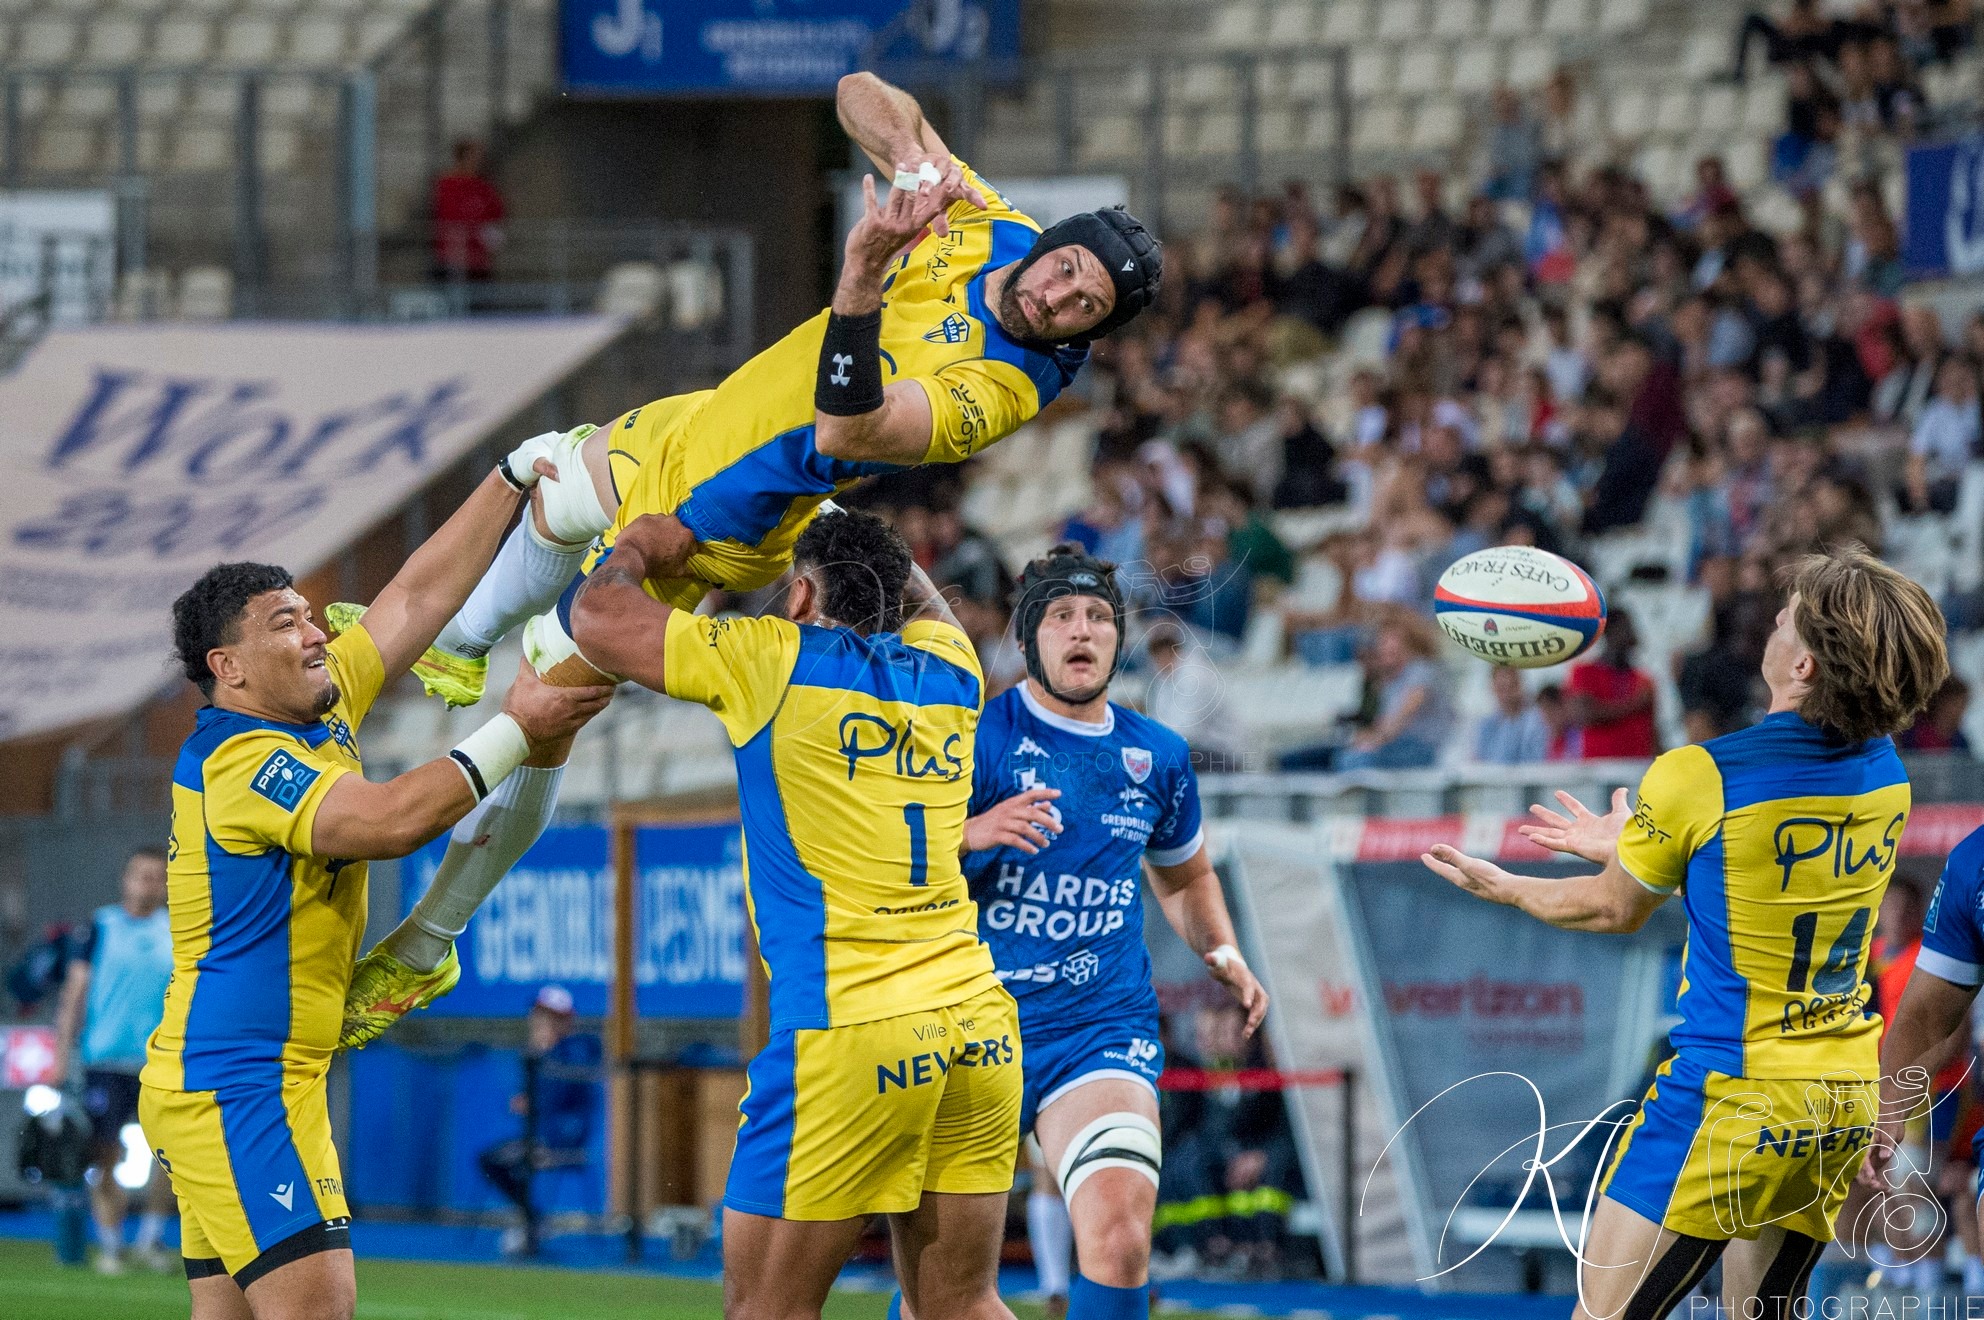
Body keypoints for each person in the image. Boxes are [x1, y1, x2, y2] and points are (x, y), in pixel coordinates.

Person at [339, 69, 1163, 1043]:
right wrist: (908, 160)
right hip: (707, 421)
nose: (1062, 295)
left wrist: (862, 270)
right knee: (548, 479)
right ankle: (460, 641)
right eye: (1072, 271)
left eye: (1087, 307)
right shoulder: (989, 225)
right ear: (1059, 244)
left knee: (542, 712)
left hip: (722, 514)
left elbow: (852, 430)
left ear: (1090, 332)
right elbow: (862, 90)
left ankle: (427, 947)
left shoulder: (1005, 384)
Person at [1421, 546, 1950, 1320]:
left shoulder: (1698, 774)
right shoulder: (1885, 774)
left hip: (1728, 1097)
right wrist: (1638, 846)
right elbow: (1773, 866)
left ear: (1802, 665)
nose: (1770, 622)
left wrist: (1507, 887)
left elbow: (1611, 909)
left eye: (1785, 619)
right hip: (1837, 1097)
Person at [141, 457, 611, 1320]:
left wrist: (509, 478)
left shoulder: (314, 710)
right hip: (238, 1082)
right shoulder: (242, 761)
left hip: (249, 1076)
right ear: (231, 667)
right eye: (288, 624)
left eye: (312, 615)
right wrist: (517, 726)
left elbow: (413, 601)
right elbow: (393, 820)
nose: (318, 633)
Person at [564, 506, 1021, 1320]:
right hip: (977, 1026)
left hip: (850, 1031)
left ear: (803, 595)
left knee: (765, 1310)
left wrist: (641, 544)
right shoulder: (952, 670)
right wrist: (844, 517)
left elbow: (595, 614)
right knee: (962, 1304)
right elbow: (928, 607)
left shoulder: (774, 659)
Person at [953, 544, 1267, 1320]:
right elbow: (886, 863)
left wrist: (1221, 951)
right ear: (1029, 637)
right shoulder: (970, 738)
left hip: (1099, 1027)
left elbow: (1186, 876)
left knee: (1122, 1237)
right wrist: (970, 835)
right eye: (1061, 616)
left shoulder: (1155, 754)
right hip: (968, 1024)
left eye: (1098, 616)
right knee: (947, 1291)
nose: (1082, 631)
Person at [51, 846, 176, 1274]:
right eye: (140, 875)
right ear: (125, 879)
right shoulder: (99, 927)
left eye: (156, 876)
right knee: (104, 1155)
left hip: (161, 1062)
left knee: (172, 1158)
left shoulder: (179, 931)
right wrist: (60, 1054)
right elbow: (74, 992)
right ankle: (110, 1245)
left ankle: (151, 1239)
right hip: (105, 1058)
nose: (147, 884)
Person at [475, 984, 601, 1257]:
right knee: (490, 1159)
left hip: (563, 1140)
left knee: (507, 1159)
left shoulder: (576, 1050)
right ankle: (534, 1220)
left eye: (551, 1016)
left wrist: (537, 1096)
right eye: (540, 1014)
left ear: (565, 1020)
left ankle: (534, 1224)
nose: (541, 1021)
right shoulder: (543, 1050)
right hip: (542, 1136)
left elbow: (558, 1098)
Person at [1567, 607, 1658, 759]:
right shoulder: (1584, 672)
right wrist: (1635, 703)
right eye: (1625, 629)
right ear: (1609, 633)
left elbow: (1653, 732)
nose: (1631, 635)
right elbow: (1583, 715)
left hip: (1637, 769)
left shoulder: (1644, 680)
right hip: (1599, 771)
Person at [430, 139, 505, 284]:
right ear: (462, 157)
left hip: (478, 261)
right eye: (474, 156)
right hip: (451, 259)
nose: (478, 161)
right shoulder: (447, 185)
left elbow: (497, 214)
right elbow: (448, 216)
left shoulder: (484, 186)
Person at [1473, 666, 1551, 765]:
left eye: (1511, 686)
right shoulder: (1486, 725)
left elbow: (1536, 762)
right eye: (1502, 688)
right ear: (1493, 688)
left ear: (1520, 685)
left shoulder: (1537, 721)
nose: (1507, 695)